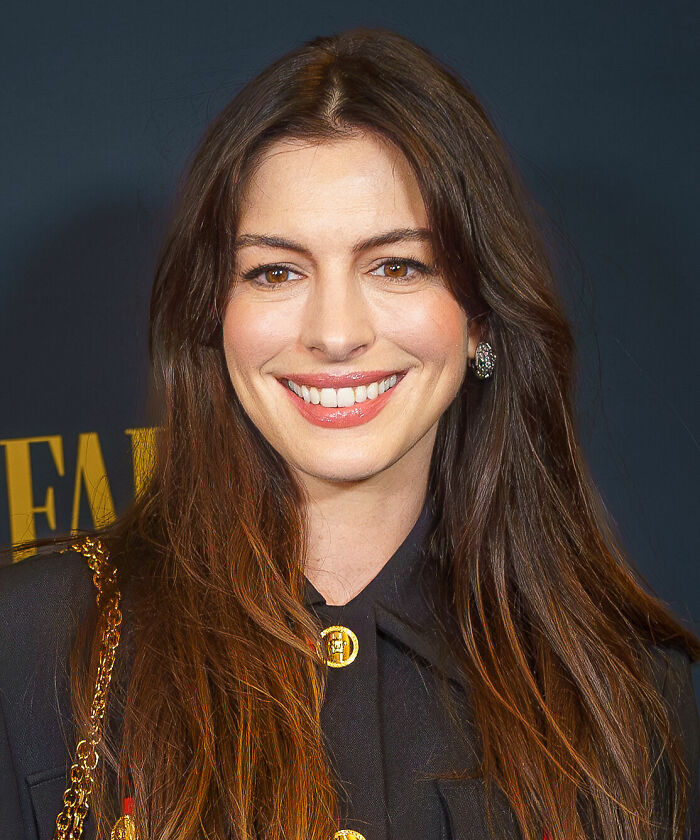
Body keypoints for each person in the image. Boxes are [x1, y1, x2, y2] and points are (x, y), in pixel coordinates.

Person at [0, 26, 698, 840]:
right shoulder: (43, 644)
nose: (335, 333)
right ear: (213, 314)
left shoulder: (628, 690)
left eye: (397, 266)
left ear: (481, 316)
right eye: (276, 272)